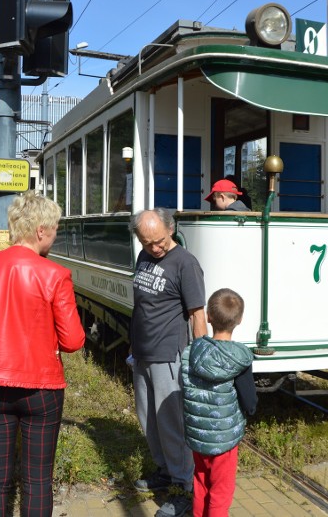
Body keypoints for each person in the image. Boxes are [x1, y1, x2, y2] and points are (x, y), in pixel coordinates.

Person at [0, 192, 85, 516]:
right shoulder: (55, 275)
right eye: (54, 229)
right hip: (42, 390)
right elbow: (73, 341)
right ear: (41, 230)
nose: (55, 235)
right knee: (38, 481)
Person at [129, 208, 207, 517]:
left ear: (170, 230)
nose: (155, 248)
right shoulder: (144, 257)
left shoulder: (185, 263)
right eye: (148, 243)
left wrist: (200, 363)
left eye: (159, 241)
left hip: (170, 355)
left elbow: (197, 315)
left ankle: (184, 487)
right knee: (148, 420)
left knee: (172, 425)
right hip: (143, 353)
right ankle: (165, 471)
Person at [181, 288, 257, 517]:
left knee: (201, 481)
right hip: (224, 438)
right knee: (221, 490)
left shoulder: (191, 351)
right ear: (240, 320)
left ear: (210, 318)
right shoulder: (239, 358)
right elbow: (249, 400)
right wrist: (250, 410)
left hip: (197, 434)